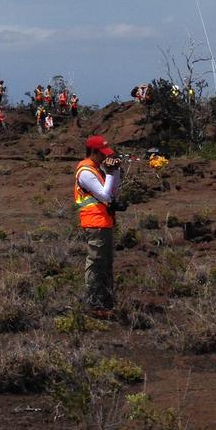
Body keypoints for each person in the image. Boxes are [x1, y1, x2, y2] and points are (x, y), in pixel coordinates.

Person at [74, 135, 122, 315]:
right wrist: (110, 172)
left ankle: (106, 301)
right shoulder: (86, 171)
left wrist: (115, 171)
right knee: (96, 263)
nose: (104, 157)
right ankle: (94, 304)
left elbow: (112, 192)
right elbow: (104, 195)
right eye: (101, 154)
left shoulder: (96, 168)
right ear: (93, 152)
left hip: (104, 221)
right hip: (95, 223)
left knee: (106, 263)